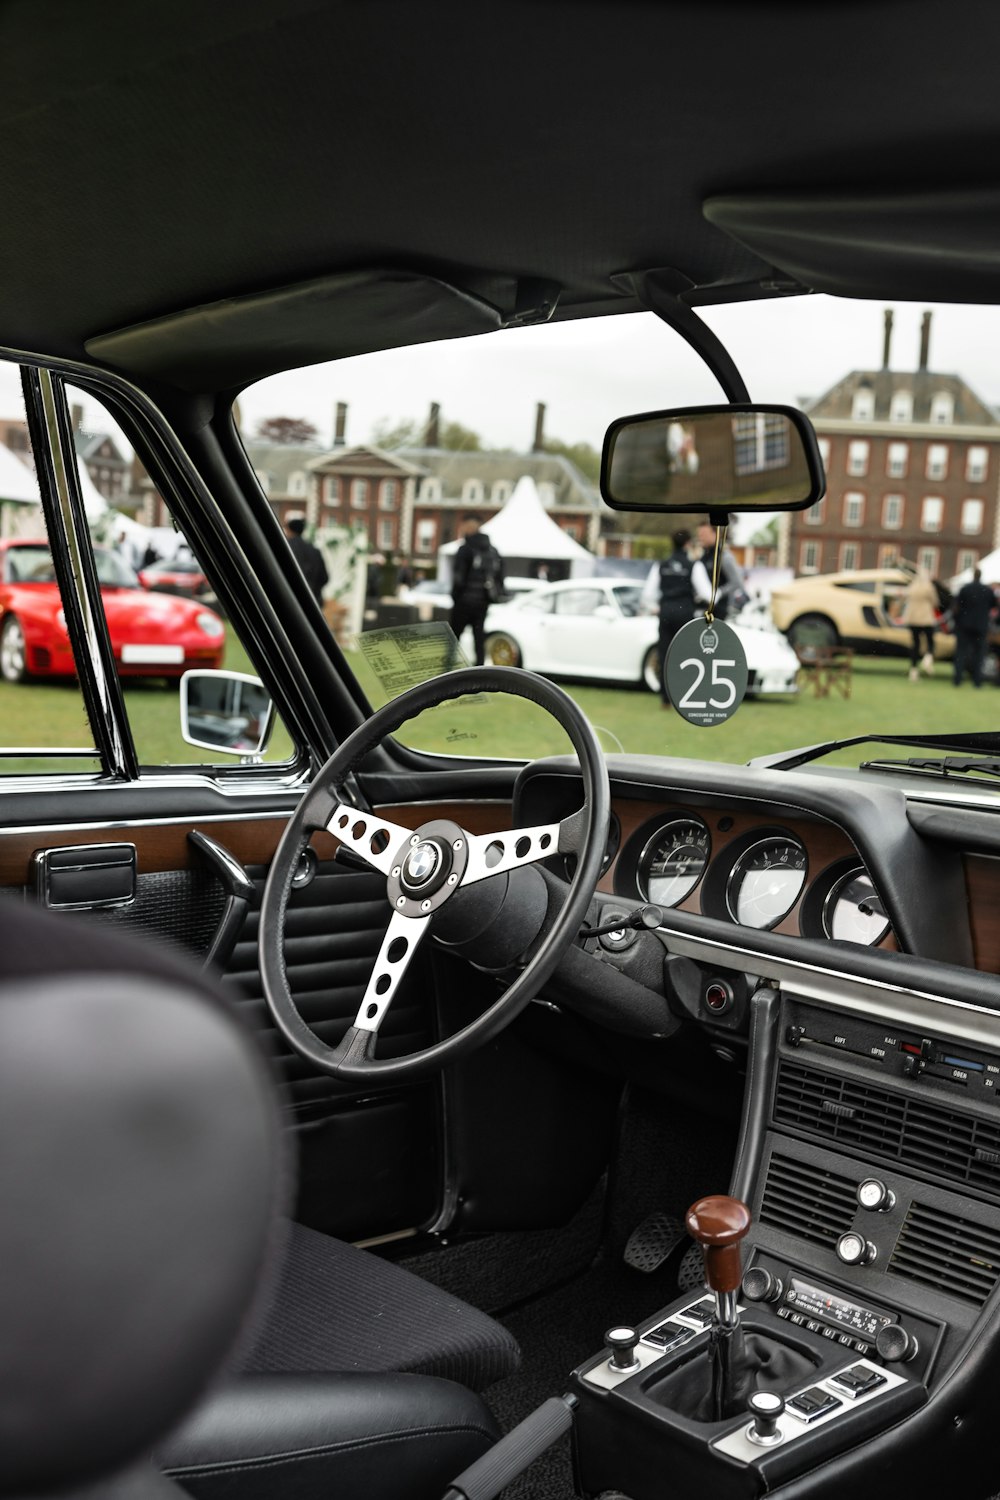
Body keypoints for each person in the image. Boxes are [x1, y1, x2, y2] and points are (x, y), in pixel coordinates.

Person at [641, 529, 695, 707]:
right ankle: (684, 695)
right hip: (685, 613)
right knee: (685, 655)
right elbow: (706, 592)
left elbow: (648, 594)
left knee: (665, 654)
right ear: (687, 543)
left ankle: (666, 697)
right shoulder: (693, 565)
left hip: (665, 612)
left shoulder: (662, 565)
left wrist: (656, 607)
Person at [449, 515, 505, 666]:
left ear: (470, 527)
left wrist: (456, 597)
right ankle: (480, 672)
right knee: (479, 639)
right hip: (483, 603)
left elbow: (458, 578)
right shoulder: (493, 551)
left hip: (464, 602)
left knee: (453, 639)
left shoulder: (465, 549)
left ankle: (446, 672)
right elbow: (500, 578)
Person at [690, 521, 747, 620]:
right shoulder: (703, 556)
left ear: (715, 534)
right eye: (699, 534)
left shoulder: (724, 557)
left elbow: (737, 583)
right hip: (703, 609)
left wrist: (719, 593)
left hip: (719, 611)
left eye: (704, 534)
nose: (700, 537)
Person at [952, 568, 996, 687]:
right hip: (981, 626)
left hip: (964, 626)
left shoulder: (965, 589)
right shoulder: (987, 590)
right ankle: (977, 681)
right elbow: (993, 605)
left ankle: (957, 680)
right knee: (979, 654)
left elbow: (956, 607)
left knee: (960, 653)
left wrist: (958, 622)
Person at [900, 568, 939, 681]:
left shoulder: (912, 586)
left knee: (915, 644)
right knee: (930, 641)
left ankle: (913, 671)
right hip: (926, 618)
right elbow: (935, 602)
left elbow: (905, 599)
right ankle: (927, 659)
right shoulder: (929, 587)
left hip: (912, 618)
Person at [283, 513, 328, 604]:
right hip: (311, 602)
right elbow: (324, 578)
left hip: (287, 600)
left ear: (288, 529)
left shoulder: (285, 547)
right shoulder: (315, 551)